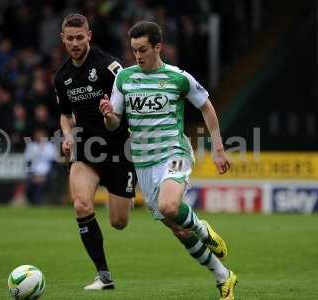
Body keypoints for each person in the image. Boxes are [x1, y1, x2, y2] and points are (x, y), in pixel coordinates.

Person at [99, 21, 237, 300]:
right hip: (143, 163)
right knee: (177, 229)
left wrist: (218, 148)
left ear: (158, 47)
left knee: (170, 205)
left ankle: (204, 229)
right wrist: (107, 115)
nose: (138, 56)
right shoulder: (124, 79)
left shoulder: (177, 78)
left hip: (174, 152)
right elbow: (114, 124)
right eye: (134, 50)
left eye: (143, 49)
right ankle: (224, 276)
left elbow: (206, 107)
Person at [54, 13, 136, 290]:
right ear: (62, 39)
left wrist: (111, 115)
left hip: (118, 149)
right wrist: (67, 137)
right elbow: (65, 115)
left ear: (89, 36)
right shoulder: (62, 77)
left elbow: (128, 105)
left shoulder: (109, 66)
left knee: (119, 222)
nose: (75, 43)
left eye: (80, 37)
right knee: (81, 205)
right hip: (86, 148)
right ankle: (103, 276)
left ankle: (125, 193)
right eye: (70, 38)